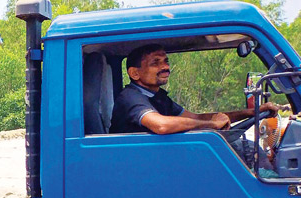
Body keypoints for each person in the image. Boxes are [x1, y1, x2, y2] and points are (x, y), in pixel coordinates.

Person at [111, 44, 284, 135]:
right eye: (155, 63)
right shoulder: (130, 98)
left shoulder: (158, 96)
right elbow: (162, 126)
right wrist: (211, 125)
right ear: (134, 73)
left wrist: (253, 112)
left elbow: (195, 118)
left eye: (166, 61)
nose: (165, 67)